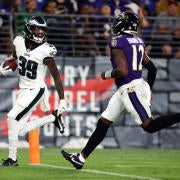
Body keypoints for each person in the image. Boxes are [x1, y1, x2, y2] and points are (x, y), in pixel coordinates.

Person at [61, 11, 180, 169]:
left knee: (149, 126)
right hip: (131, 87)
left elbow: (122, 71)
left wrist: (106, 75)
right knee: (104, 122)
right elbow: (152, 68)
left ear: (125, 24)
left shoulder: (118, 41)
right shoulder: (138, 40)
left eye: (119, 21)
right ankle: (81, 158)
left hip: (130, 89)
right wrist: (149, 89)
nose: (115, 24)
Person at [0, 16, 67, 166]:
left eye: (42, 29)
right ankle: (52, 118)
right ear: (29, 29)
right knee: (21, 130)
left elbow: (56, 77)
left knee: (11, 118)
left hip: (36, 89)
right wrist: (4, 69)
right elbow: (16, 59)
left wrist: (62, 99)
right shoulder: (18, 41)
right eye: (37, 29)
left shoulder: (46, 50)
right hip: (24, 89)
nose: (40, 32)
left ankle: (12, 159)